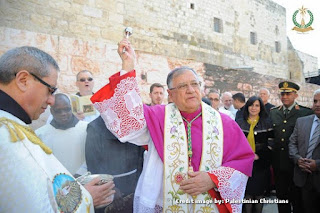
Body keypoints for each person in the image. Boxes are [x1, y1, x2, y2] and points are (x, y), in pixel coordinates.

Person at [90, 38, 255, 212]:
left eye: (194, 84)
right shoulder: (158, 117)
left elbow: (243, 161)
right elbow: (128, 120)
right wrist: (128, 67)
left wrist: (213, 179)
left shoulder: (224, 123)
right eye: (183, 86)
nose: (191, 90)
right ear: (171, 94)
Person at [0, 46, 115, 212]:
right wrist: (86, 198)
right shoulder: (7, 135)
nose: (51, 101)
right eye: (50, 90)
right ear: (23, 80)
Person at [85, 115, 145, 213]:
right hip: (110, 188)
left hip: (135, 184)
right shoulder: (94, 128)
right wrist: (112, 189)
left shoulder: (134, 123)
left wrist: (139, 184)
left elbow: (141, 157)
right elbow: (93, 165)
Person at [269, 81, 313, 213]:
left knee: (298, 198)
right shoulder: (274, 113)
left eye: (288, 94)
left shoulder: (305, 113)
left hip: (296, 164)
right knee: (281, 197)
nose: (284, 97)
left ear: (295, 95)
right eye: (282, 94)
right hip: (279, 163)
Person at [236, 96, 273, 213]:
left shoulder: (267, 122)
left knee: (258, 196)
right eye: (251, 105)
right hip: (244, 164)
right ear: (247, 106)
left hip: (261, 165)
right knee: (247, 195)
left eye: (257, 105)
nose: (253, 108)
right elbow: (235, 143)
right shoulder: (239, 122)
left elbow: (271, 144)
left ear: (261, 107)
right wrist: (245, 156)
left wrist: (259, 156)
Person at [36, 93, 88, 176]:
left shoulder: (87, 129)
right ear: (51, 111)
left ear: (71, 108)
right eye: (58, 111)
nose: (63, 113)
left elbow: (93, 157)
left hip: (85, 182)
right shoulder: (40, 134)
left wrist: (80, 173)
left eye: (66, 109)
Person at [289, 88, 320, 213]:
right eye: (315, 101)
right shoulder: (302, 122)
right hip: (302, 179)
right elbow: (292, 143)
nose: (317, 104)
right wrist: (297, 159)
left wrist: (317, 164)